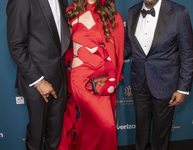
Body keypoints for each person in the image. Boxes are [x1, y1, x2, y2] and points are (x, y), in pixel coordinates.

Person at [124, 0, 193, 150]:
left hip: (166, 83)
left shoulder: (179, 13)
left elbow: (187, 54)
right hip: (139, 81)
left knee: (161, 133)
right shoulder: (131, 12)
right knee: (141, 130)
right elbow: (128, 46)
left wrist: (182, 89)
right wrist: (104, 57)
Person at [57, 0, 124, 149]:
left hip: (102, 79)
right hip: (80, 78)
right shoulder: (71, 12)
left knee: (104, 127)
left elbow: (118, 50)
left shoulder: (110, 14)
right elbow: (62, 45)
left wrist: (113, 77)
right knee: (97, 124)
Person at [6, 0, 70, 149]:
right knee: (36, 138)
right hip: (38, 82)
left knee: (54, 138)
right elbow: (16, 46)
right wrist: (39, 81)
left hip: (60, 78)